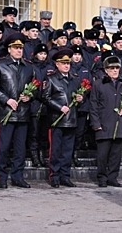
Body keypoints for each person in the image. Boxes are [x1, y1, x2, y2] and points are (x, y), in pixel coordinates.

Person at [0, 33, 35, 189]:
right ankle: (1, 176)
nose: (19, 50)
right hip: (5, 113)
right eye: (16, 48)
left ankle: (17, 176)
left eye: (21, 48)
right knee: (3, 147)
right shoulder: (0, 65)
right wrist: (6, 99)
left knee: (20, 148)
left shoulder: (28, 66)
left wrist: (30, 96)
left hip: (23, 113)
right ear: (9, 49)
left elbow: (36, 86)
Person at [42, 48, 83, 188]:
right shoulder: (51, 79)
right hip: (56, 119)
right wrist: (59, 107)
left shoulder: (74, 79)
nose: (67, 66)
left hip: (71, 120)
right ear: (57, 64)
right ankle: (54, 175)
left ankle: (65, 175)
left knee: (67, 150)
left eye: (68, 63)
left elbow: (76, 96)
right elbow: (45, 97)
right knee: (55, 150)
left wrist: (79, 98)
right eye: (63, 63)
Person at [90, 54, 122, 187]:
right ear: (106, 70)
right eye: (112, 68)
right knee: (103, 155)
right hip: (104, 124)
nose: (115, 70)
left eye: (117, 68)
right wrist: (96, 124)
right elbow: (93, 105)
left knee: (116, 155)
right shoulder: (98, 84)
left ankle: (113, 177)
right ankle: (102, 177)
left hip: (119, 124)